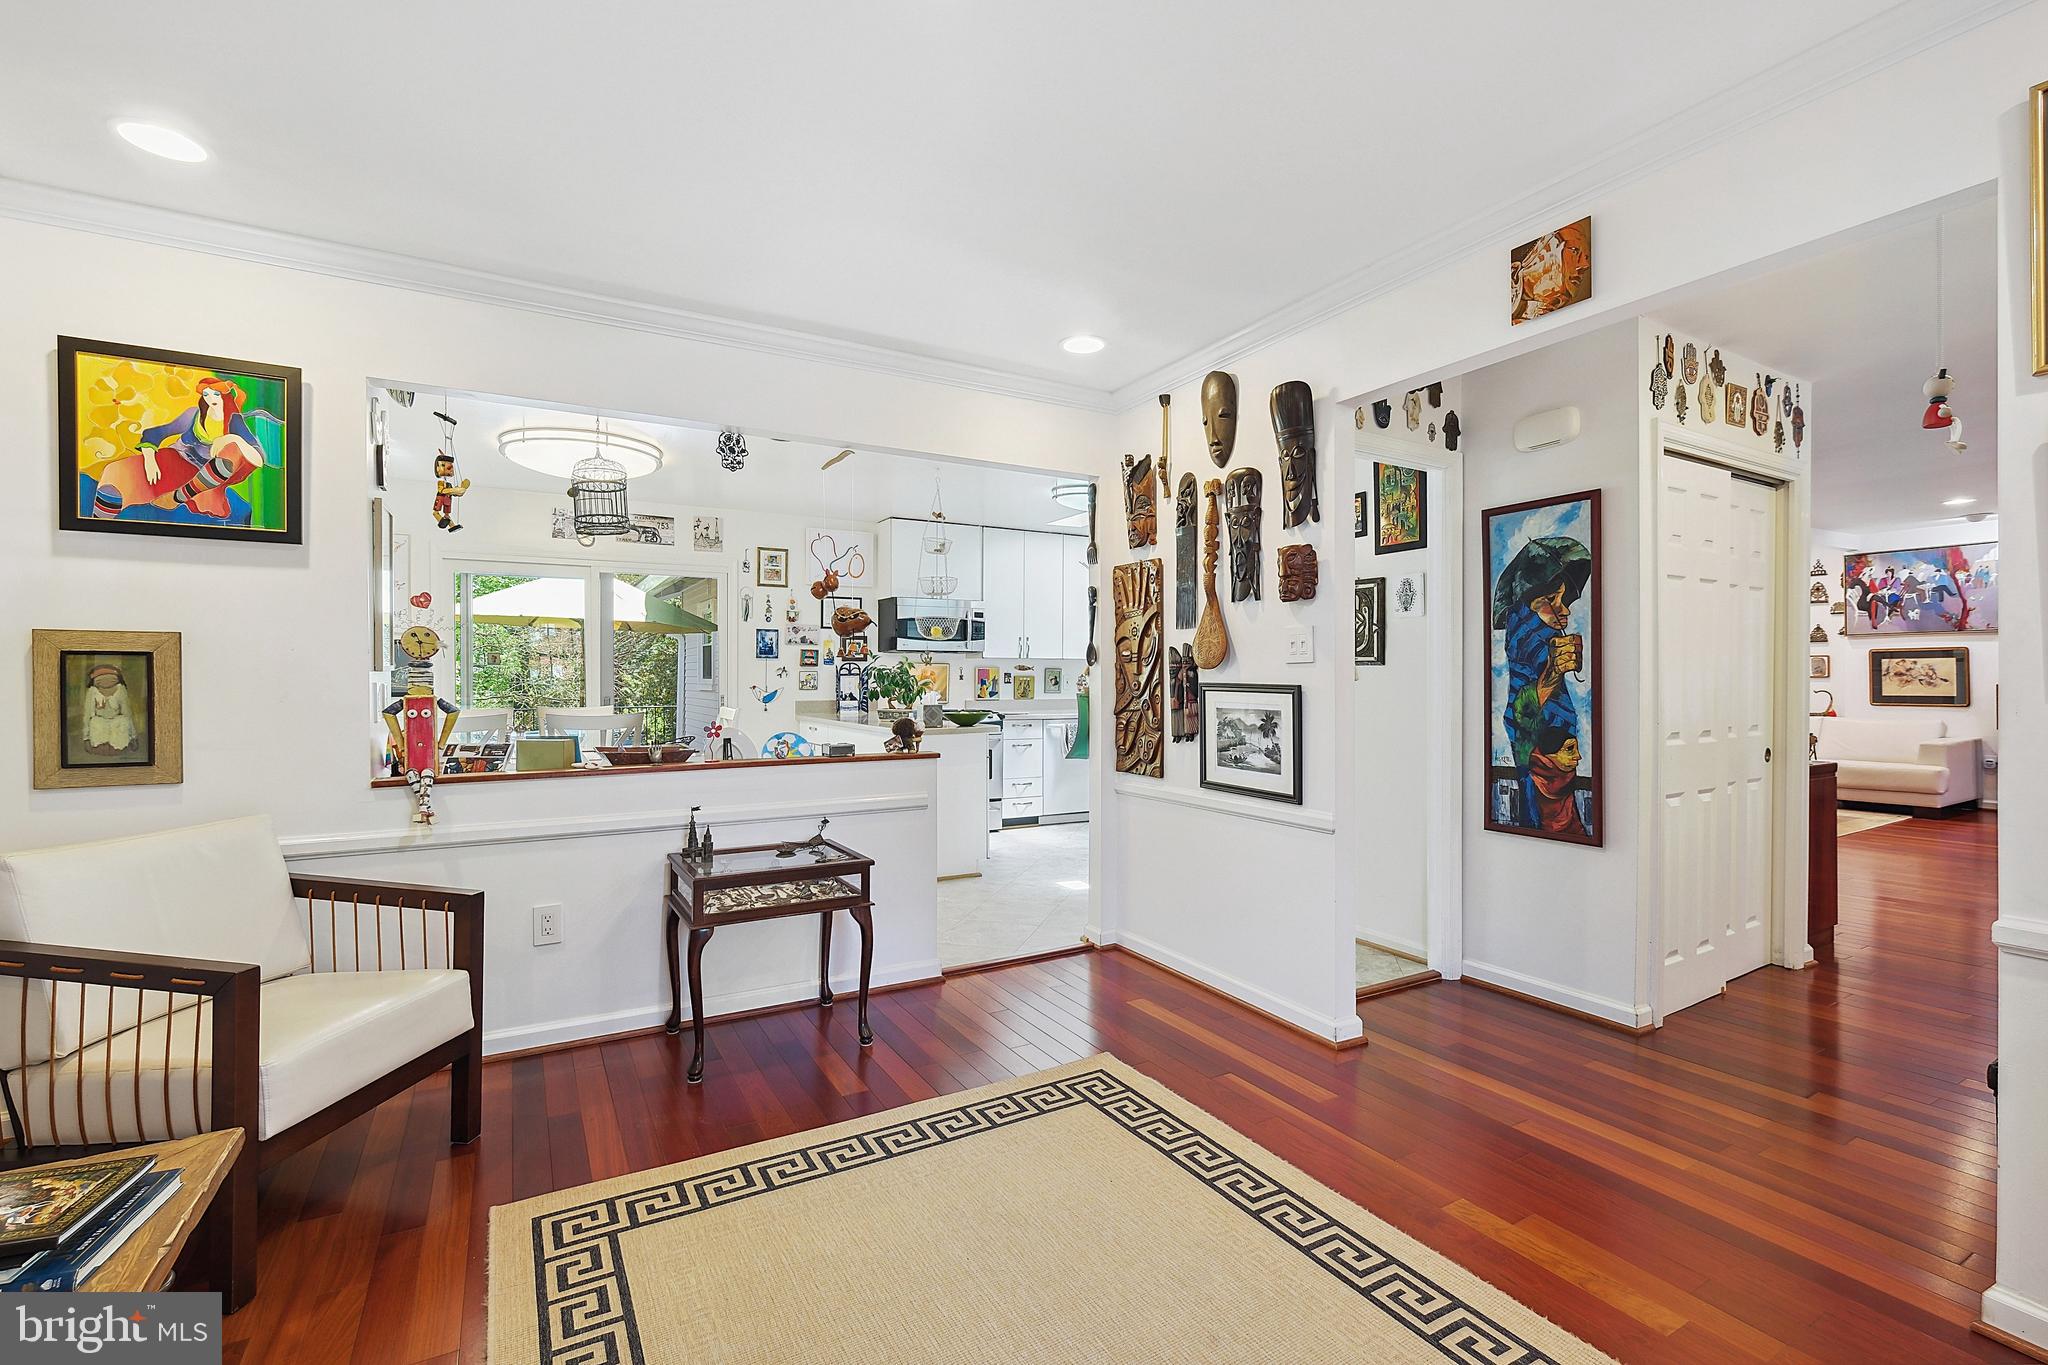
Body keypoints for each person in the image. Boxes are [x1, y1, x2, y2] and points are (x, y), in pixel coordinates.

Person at [1492, 533, 1591, 833]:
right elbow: (1517, 715)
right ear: (1525, 611)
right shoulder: (1525, 644)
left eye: (1563, 599)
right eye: (1549, 600)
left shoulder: (1547, 645)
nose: (1565, 609)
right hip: (1541, 788)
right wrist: (1550, 675)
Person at [90, 376, 268, 522]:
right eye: (206, 394)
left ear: (225, 396)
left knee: (234, 449)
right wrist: (150, 459)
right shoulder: (193, 414)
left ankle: (176, 498)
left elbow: (258, 457)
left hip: (204, 478)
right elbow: (155, 433)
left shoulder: (235, 421)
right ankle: (97, 526)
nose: (210, 399)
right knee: (116, 472)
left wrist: (232, 438)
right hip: (174, 461)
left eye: (215, 394)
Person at [82, 662, 137, 755]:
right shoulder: (92, 692)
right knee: (95, 722)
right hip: (98, 725)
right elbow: (88, 714)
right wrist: (86, 737)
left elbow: (127, 713)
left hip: (118, 725)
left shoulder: (121, 690)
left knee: (123, 721)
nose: (105, 681)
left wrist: (133, 736)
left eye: (110, 678)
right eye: (101, 678)